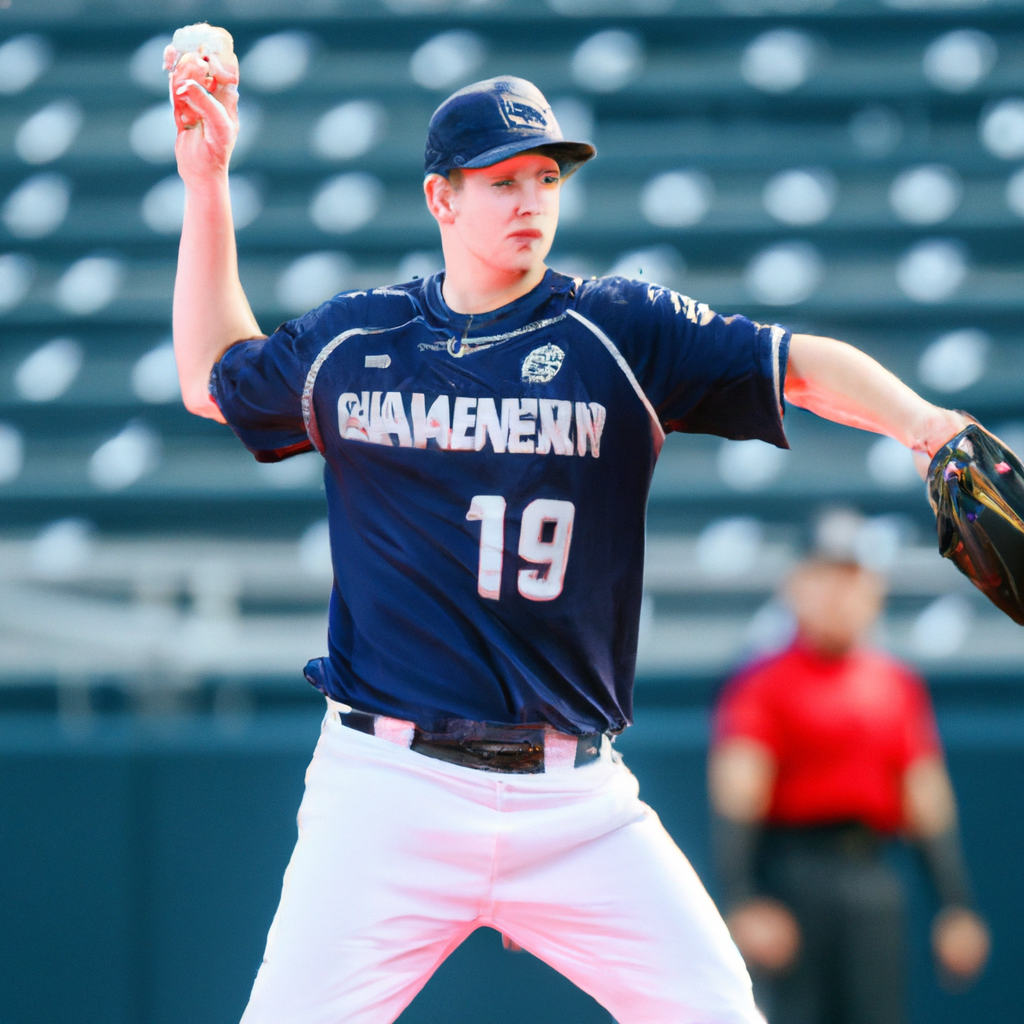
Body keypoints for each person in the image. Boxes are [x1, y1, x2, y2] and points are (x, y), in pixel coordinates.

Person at [167, 24, 973, 1023]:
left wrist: (924, 425)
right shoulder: (359, 339)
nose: (529, 201)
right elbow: (212, 380)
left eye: (545, 178)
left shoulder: (618, 331)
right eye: (500, 180)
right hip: (386, 789)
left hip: (573, 798)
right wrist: (205, 187)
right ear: (441, 198)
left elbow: (799, 362)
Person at [710, 553, 990, 1024]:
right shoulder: (761, 684)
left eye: (852, 581)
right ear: (797, 588)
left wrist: (954, 905)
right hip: (792, 881)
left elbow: (926, 799)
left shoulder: (896, 685)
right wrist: (742, 900)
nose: (839, 597)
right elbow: (738, 796)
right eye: (826, 580)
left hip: (871, 874)